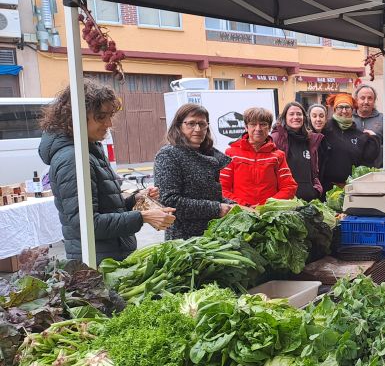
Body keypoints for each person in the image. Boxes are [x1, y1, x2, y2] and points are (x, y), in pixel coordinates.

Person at [38, 79, 174, 263]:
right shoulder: (73, 159)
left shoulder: (91, 148)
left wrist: (135, 199)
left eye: (110, 115)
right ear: (75, 116)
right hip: (95, 262)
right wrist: (143, 217)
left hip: (110, 256)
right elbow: (86, 225)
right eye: (101, 117)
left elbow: (106, 208)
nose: (109, 123)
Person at [155, 103, 233, 240]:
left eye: (202, 124)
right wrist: (216, 209)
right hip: (185, 241)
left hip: (213, 235)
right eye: (191, 123)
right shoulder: (168, 155)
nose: (197, 129)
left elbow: (212, 197)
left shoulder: (209, 155)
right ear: (179, 126)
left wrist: (233, 206)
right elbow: (169, 201)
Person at [220, 107, 298, 206]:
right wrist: (243, 206)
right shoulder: (231, 154)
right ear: (246, 127)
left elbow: (289, 187)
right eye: (253, 124)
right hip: (239, 214)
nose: (258, 129)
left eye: (263, 124)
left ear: (269, 128)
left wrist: (265, 206)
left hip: (269, 214)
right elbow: (222, 188)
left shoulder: (278, 156)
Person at [320, 93, 379, 192]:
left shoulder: (358, 134)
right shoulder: (325, 129)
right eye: (340, 107)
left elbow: (369, 157)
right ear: (334, 109)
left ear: (353, 110)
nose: (344, 111)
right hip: (327, 188)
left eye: (347, 107)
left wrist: (374, 138)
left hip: (351, 189)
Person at [270, 102, 323, 201]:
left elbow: (314, 171)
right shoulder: (276, 138)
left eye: (299, 114)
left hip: (308, 198)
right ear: (284, 117)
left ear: (304, 117)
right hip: (286, 201)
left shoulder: (310, 139)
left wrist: (316, 189)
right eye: (291, 114)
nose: (296, 117)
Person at [353, 84, 385, 167]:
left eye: (370, 98)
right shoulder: (349, 119)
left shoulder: (383, 119)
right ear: (356, 100)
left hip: (377, 171)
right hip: (352, 172)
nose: (366, 101)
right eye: (362, 98)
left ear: (374, 101)